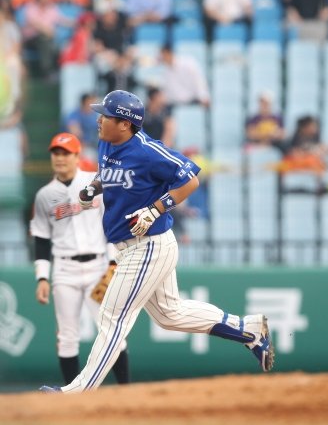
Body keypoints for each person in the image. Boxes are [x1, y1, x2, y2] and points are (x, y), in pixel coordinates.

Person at [39, 90, 274, 393]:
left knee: (112, 317)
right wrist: (94, 188)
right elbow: (109, 174)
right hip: (130, 247)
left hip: (149, 245)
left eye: (105, 115)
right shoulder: (106, 141)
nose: (98, 119)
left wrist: (157, 207)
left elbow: (190, 179)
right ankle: (249, 329)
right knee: (170, 314)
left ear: (124, 123)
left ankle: (76, 393)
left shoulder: (148, 151)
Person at [31, 132, 130, 386]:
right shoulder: (45, 195)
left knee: (110, 330)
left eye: (66, 153)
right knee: (67, 335)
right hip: (64, 270)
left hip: (99, 267)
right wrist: (42, 276)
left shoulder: (94, 184)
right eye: (56, 153)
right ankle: (72, 397)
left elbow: (112, 224)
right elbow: (41, 239)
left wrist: (113, 261)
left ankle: (125, 390)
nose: (60, 158)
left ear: (77, 156)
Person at [155, 43, 210, 108]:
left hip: (193, 102)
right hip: (175, 104)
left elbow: (198, 80)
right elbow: (167, 91)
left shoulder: (188, 63)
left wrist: (203, 96)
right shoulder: (165, 72)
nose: (161, 58)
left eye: (162, 55)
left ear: (168, 53)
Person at [64, 93, 99, 161]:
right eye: (91, 101)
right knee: (88, 156)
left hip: (94, 147)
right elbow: (75, 132)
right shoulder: (74, 115)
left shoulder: (94, 115)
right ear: (85, 102)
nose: (94, 104)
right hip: (79, 147)